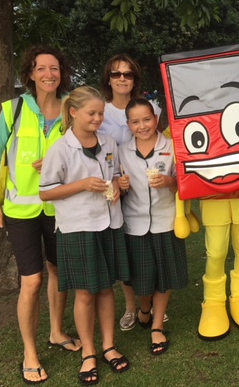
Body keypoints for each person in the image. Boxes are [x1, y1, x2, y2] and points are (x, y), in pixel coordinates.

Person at [0, 45, 78, 384]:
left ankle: (55, 331)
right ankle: (30, 352)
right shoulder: (13, 109)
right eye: (42, 68)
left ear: (61, 72)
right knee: (32, 280)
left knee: (58, 271)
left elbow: (84, 146)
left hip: (59, 205)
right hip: (20, 209)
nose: (49, 74)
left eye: (55, 68)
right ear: (31, 73)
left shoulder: (72, 108)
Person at [39, 86, 130, 385]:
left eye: (101, 113)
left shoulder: (108, 142)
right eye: (92, 113)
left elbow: (114, 175)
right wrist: (81, 185)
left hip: (107, 223)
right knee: (85, 292)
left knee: (106, 288)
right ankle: (88, 352)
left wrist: (117, 185)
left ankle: (109, 346)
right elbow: (46, 192)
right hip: (78, 227)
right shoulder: (60, 149)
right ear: (74, 112)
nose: (98, 118)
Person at [117, 98, 188, 355]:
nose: (142, 126)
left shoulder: (172, 146)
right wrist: (120, 186)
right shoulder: (122, 150)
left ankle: (157, 325)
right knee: (141, 278)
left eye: (147, 119)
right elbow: (115, 181)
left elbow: (186, 182)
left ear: (156, 119)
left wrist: (170, 181)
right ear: (128, 125)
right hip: (134, 224)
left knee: (164, 275)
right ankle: (143, 308)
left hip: (166, 221)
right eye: (135, 122)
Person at [98, 53, 163, 331]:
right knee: (125, 253)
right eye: (116, 74)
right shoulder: (101, 111)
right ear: (108, 79)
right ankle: (130, 306)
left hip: (147, 193)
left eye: (128, 74)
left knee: (150, 251)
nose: (122, 79)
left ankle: (153, 305)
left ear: (135, 79)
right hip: (115, 191)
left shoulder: (151, 108)